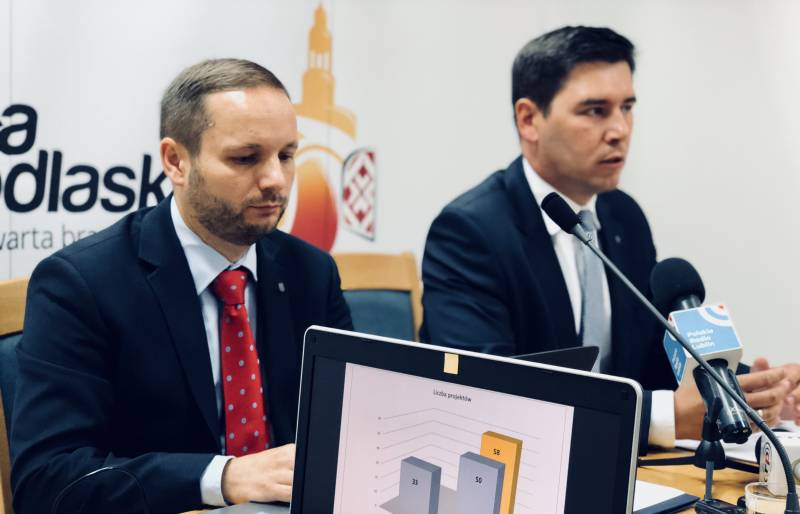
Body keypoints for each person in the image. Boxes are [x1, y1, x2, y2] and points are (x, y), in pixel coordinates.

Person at [420, 26, 799, 451]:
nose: (620, 129)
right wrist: (663, 417)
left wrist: (748, 391)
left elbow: (653, 356)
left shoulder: (623, 217)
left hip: (624, 466)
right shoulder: (469, 232)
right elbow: (485, 394)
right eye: (595, 111)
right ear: (529, 119)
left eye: (627, 107)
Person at [10, 58, 352, 513]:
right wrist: (223, 477)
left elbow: (347, 429)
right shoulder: (81, 284)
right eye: (245, 158)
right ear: (176, 161)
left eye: (287, 155)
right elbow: (47, 480)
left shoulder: (311, 271)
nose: (275, 179)